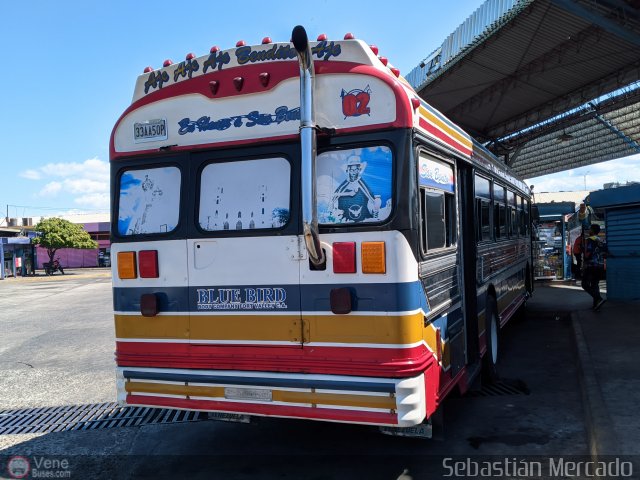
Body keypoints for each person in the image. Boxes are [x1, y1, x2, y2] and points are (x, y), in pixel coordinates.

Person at [331, 155, 379, 222]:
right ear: (348, 170)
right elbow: (333, 198)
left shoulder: (362, 183)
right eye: (351, 170)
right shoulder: (344, 185)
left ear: (359, 170)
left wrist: (375, 208)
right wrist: (348, 193)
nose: (353, 172)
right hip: (345, 221)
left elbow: (372, 198)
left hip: (362, 221)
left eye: (356, 169)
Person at [581, 224, 606, 310]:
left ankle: (598, 299)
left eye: (590, 229)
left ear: (592, 230)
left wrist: (584, 263)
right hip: (599, 266)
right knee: (595, 284)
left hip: (591, 266)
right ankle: (596, 305)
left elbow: (588, 254)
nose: (589, 230)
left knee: (584, 284)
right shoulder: (601, 240)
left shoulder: (589, 240)